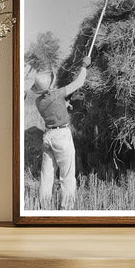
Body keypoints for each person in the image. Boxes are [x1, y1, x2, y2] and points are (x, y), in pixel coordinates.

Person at [30, 56, 91, 210]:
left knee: (47, 175)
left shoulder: (39, 102)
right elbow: (79, 83)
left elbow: (53, 103)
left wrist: (65, 104)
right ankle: (67, 208)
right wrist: (84, 65)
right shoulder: (57, 94)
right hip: (62, 136)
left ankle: (44, 206)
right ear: (50, 86)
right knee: (67, 175)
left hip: (48, 137)